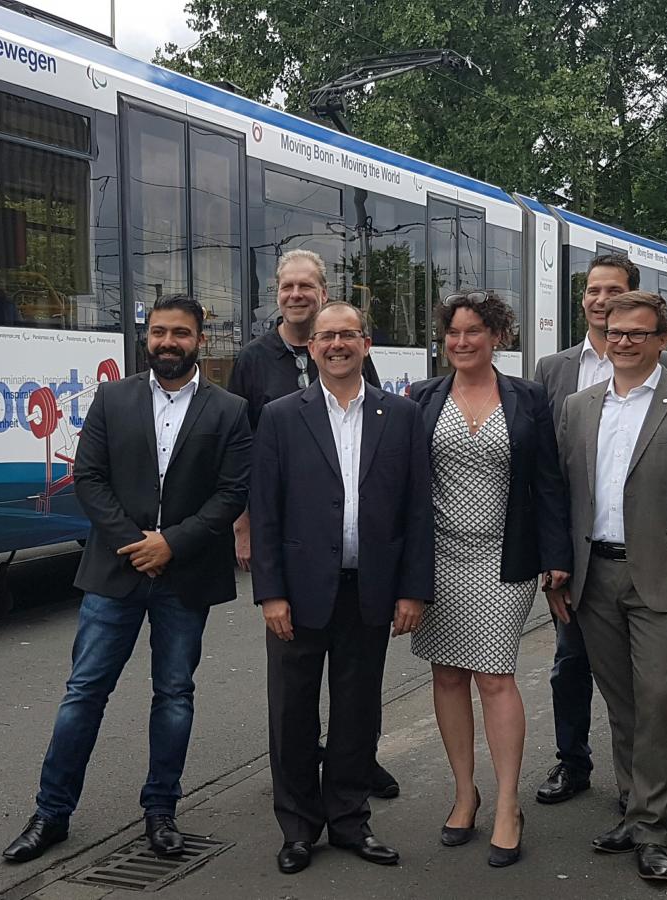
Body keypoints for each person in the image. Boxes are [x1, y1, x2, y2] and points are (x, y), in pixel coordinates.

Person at [2, 295, 252, 864]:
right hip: (115, 570)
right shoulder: (113, 398)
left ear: (200, 341)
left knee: (174, 696)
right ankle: (51, 813)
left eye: (180, 333)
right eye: (159, 332)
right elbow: (88, 477)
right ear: (147, 337)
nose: (168, 342)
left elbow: (233, 491)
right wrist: (136, 543)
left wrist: (173, 542)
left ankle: (160, 812)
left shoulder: (230, 410)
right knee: (84, 693)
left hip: (185, 575)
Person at [546, 290, 667, 882]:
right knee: (621, 702)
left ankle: (654, 828)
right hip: (594, 577)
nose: (622, 341)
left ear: (662, 340)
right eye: (614, 330)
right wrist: (557, 568)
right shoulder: (578, 406)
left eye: (636, 333)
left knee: (657, 699)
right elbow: (563, 495)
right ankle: (632, 805)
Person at [249, 300, 431, 875]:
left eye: (347, 335)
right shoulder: (281, 415)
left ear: (366, 344)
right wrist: (269, 592)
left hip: (370, 589)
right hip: (298, 594)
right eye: (325, 336)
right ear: (311, 347)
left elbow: (417, 511)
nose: (335, 345)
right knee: (292, 713)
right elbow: (266, 510)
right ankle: (299, 828)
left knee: (358, 712)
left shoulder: (399, 416)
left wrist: (413, 590)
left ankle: (350, 819)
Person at [227, 248, 399, 800]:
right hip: (296, 543)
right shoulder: (254, 359)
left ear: (324, 293)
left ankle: (356, 767)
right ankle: (300, 796)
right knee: (296, 692)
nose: (297, 294)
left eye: (308, 286)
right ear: (277, 293)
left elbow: (369, 432)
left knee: (357, 688)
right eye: (288, 286)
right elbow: (243, 449)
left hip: (354, 554)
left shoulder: (347, 353)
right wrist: (245, 525)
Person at [408, 290, 571, 868]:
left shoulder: (528, 399)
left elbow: (549, 483)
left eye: (474, 331)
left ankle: (507, 803)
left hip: (504, 561)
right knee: (447, 675)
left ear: (498, 336)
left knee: (494, 677)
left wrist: (557, 559)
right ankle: (463, 793)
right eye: (452, 332)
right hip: (437, 558)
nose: (461, 341)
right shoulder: (422, 397)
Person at [532, 253, 667, 811]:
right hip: (579, 555)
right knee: (570, 665)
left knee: (646, 688)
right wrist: (551, 556)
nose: (600, 300)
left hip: (646, 559)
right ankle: (573, 762)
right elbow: (547, 468)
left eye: (612, 291)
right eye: (592, 291)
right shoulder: (554, 370)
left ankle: (641, 796)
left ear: (632, 300)